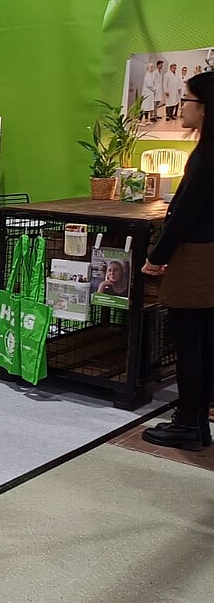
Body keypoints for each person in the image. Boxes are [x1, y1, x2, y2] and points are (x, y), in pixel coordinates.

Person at [141, 71, 214, 452]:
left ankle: (187, 422)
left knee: (189, 342)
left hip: (196, 258)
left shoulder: (205, 157)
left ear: (204, 108)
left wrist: (156, 256)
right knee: (204, 342)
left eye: (187, 100)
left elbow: (183, 214)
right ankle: (197, 423)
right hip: (209, 254)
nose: (182, 106)